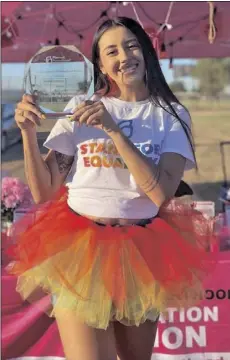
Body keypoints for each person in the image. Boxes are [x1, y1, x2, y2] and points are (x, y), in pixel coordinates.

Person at [8, 17, 214, 360]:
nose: (125, 56)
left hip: (143, 255)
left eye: (132, 45)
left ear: (147, 52)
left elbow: (161, 193)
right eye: (112, 50)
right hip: (80, 253)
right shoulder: (78, 109)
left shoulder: (171, 115)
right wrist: (28, 134)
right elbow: (45, 191)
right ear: (100, 65)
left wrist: (115, 130)